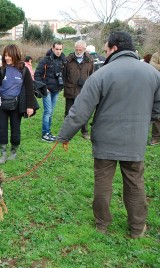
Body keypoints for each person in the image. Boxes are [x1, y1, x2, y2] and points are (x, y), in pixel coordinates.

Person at [57, 31, 160, 238]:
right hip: (134, 139)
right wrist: (140, 124)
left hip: (105, 140)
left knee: (103, 184)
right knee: (134, 183)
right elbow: (157, 110)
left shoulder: (101, 74)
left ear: (114, 48)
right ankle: (137, 228)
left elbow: (79, 111)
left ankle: (102, 224)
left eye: (106, 49)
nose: (104, 52)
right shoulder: (153, 73)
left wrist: (64, 135)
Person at [0, 44, 35, 164]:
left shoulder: (23, 70)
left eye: (9, 56)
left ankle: (13, 152)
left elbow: (30, 89)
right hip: (2, 104)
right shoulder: (2, 70)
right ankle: (3, 154)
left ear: (16, 55)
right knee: (2, 129)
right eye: (5, 55)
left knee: (15, 130)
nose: (7, 58)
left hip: (17, 104)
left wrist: (30, 106)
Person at [34, 41, 66, 142]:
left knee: (51, 112)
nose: (58, 51)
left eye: (60, 49)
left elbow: (65, 75)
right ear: (52, 48)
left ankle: (49, 132)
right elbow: (37, 75)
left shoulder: (63, 61)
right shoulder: (45, 60)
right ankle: (45, 133)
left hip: (56, 90)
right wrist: (44, 87)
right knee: (48, 111)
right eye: (56, 49)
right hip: (46, 90)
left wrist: (62, 86)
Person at [64, 40, 94, 140]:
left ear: (84, 49)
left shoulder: (90, 60)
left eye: (80, 49)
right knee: (68, 112)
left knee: (84, 112)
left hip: (83, 91)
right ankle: (67, 132)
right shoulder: (68, 60)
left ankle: (84, 131)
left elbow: (91, 75)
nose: (78, 51)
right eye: (76, 49)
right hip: (70, 90)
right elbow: (64, 74)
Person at [149, 49, 160, 145]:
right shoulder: (156, 55)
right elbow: (152, 65)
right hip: (159, 84)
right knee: (157, 110)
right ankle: (156, 137)